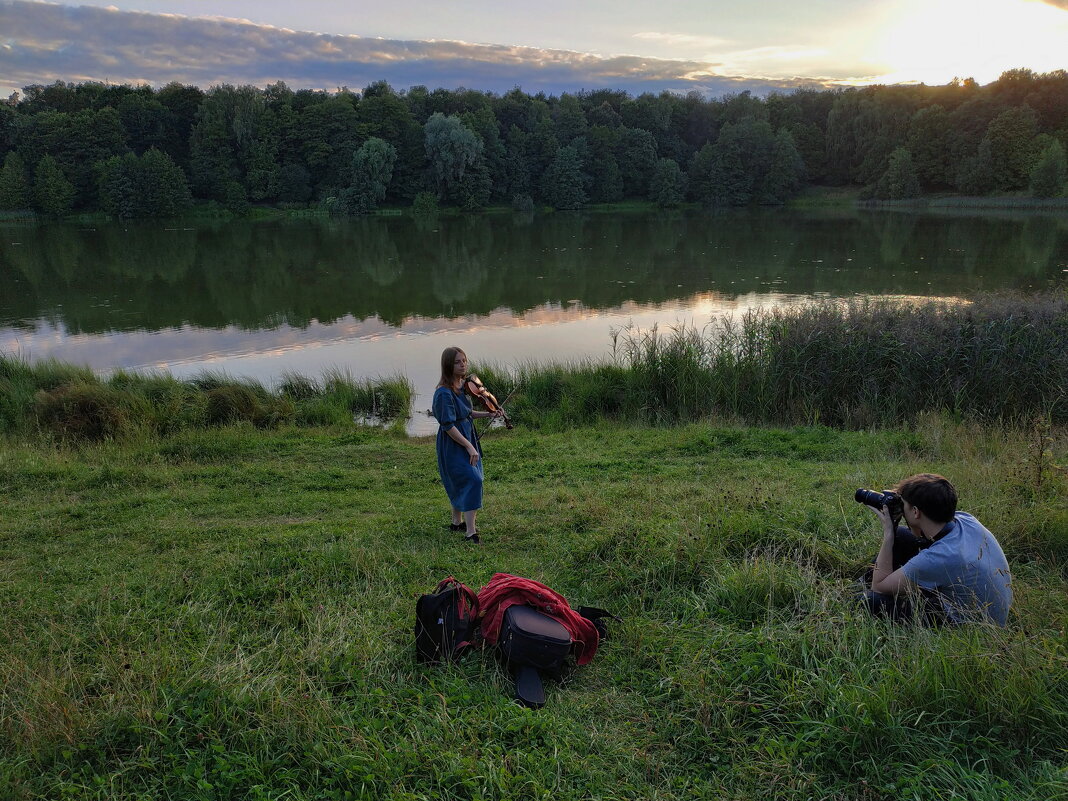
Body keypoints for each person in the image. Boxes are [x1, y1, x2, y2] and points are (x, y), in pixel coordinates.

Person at [861, 473, 1012, 625]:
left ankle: (863, 590)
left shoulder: (938, 558)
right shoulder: (967, 520)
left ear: (915, 512)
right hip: (986, 606)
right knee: (901, 535)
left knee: (870, 601)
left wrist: (888, 533)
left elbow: (878, 587)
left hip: (970, 624)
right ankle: (865, 583)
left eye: (904, 505)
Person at [432, 346, 499, 544]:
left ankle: (456, 522)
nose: (463, 365)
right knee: (472, 480)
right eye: (458, 362)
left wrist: (488, 413)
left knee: (463, 480)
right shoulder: (443, 394)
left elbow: (466, 414)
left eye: (464, 361)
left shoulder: (463, 386)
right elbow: (448, 425)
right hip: (454, 442)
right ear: (448, 365)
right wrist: (469, 446)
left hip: (468, 436)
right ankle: (470, 532)